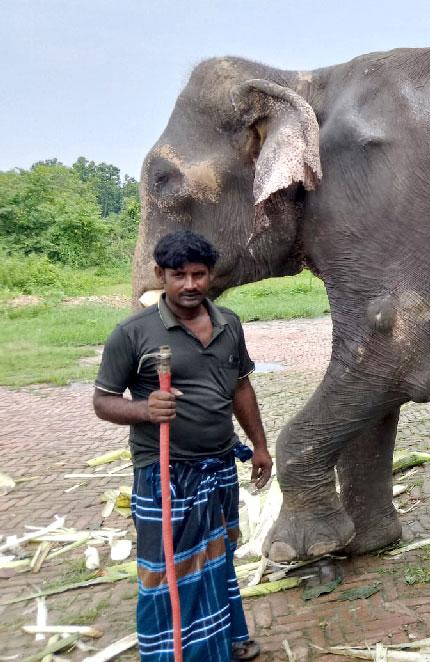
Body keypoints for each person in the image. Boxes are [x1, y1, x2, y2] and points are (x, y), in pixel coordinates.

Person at [93, 230, 271, 661]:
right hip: (165, 471)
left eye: (198, 274)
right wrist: (144, 410)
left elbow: (240, 387)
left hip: (219, 466)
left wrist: (260, 446)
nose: (189, 284)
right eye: (178, 275)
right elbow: (103, 401)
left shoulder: (229, 323)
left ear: (210, 275)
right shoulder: (133, 333)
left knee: (217, 556)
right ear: (160, 275)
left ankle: (226, 640)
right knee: (166, 569)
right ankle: (168, 654)